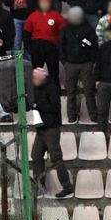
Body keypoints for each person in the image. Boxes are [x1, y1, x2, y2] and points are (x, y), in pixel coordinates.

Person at [31, 66, 74, 198]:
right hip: (41, 128)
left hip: (51, 128)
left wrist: (38, 106)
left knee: (55, 157)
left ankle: (67, 186)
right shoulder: (35, 89)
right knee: (36, 155)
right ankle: (39, 186)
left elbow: (55, 107)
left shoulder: (52, 88)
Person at [59, 6, 99, 124]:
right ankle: (72, 115)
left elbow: (94, 47)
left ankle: (93, 115)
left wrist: (91, 62)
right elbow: (60, 47)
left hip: (86, 65)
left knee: (89, 91)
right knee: (70, 92)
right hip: (70, 65)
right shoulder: (65, 30)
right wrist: (65, 62)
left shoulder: (88, 29)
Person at [23, 0, 66, 84]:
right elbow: (26, 34)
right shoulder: (33, 16)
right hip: (37, 48)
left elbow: (64, 34)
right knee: (36, 75)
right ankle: (36, 96)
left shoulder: (57, 16)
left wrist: (60, 48)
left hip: (52, 49)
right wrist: (29, 48)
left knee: (54, 74)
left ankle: (55, 95)